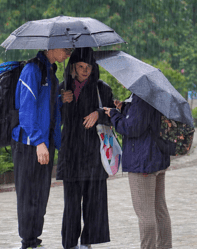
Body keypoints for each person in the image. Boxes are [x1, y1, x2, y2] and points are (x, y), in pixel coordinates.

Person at [11, 48, 72, 249]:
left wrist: (60, 100)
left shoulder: (49, 71)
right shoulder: (32, 70)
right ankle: (27, 242)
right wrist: (39, 142)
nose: (69, 53)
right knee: (28, 195)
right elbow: (26, 112)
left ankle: (34, 240)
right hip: (30, 145)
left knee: (40, 195)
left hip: (45, 144)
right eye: (66, 48)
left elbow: (44, 107)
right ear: (50, 47)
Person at [57, 47, 115, 249]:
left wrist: (99, 113)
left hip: (94, 156)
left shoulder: (102, 89)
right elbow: (52, 116)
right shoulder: (62, 88)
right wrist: (60, 101)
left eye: (88, 67)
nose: (85, 71)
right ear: (72, 67)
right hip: (71, 155)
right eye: (80, 66)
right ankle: (70, 243)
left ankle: (87, 242)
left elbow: (113, 114)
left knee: (94, 204)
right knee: (71, 205)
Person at [103, 94, 173, 249]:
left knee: (145, 214)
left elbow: (131, 128)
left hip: (143, 162)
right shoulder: (154, 96)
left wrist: (113, 114)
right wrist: (125, 108)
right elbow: (144, 121)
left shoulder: (141, 98)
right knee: (159, 209)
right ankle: (165, 246)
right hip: (157, 159)